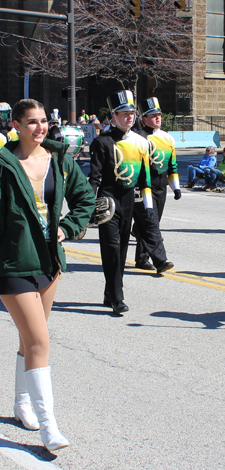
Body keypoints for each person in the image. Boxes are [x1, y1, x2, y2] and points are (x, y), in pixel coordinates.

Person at [0, 98, 95, 452]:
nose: (40, 127)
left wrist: (67, 229)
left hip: (49, 263)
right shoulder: (1, 165)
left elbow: (86, 201)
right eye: (32, 122)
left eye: (43, 121)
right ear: (17, 127)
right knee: (40, 341)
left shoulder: (61, 161)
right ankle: (48, 425)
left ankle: (22, 405)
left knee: (29, 340)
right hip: (12, 263)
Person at [89, 90, 154, 315]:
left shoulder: (141, 141)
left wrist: (148, 209)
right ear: (113, 117)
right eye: (123, 114)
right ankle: (118, 297)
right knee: (111, 249)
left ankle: (110, 292)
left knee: (123, 248)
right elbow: (94, 177)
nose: (129, 117)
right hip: (107, 200)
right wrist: (90, 206)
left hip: (128, 201)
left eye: (132, 113)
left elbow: (145, 178)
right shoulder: (101, 142)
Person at [132, 97, 179, 271]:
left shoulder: (168, 138)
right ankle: (159, 261)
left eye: (158, 115)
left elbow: (172, 165)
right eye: (152, 115)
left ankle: (141, 258)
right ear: (143, 119)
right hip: (144, 188)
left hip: (161, 188)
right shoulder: (137, 138)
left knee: (152, 224)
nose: (157, 118)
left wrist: (176, 187)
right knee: (150, 224)